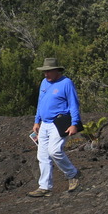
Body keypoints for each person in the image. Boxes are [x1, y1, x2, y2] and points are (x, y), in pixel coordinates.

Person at [28, 57, 81, 197]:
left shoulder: (66, 83)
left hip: (59, 123)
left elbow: (73, 104)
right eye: (45, 72)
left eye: (49, 71)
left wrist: (74, 123)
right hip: (44, 123)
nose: (46, 74)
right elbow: (40, 102)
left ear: (56, 70)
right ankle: (44, 186)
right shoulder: (44, 83)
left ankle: (72, 174)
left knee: (54, 151)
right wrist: (36, 121)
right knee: (42, 155)